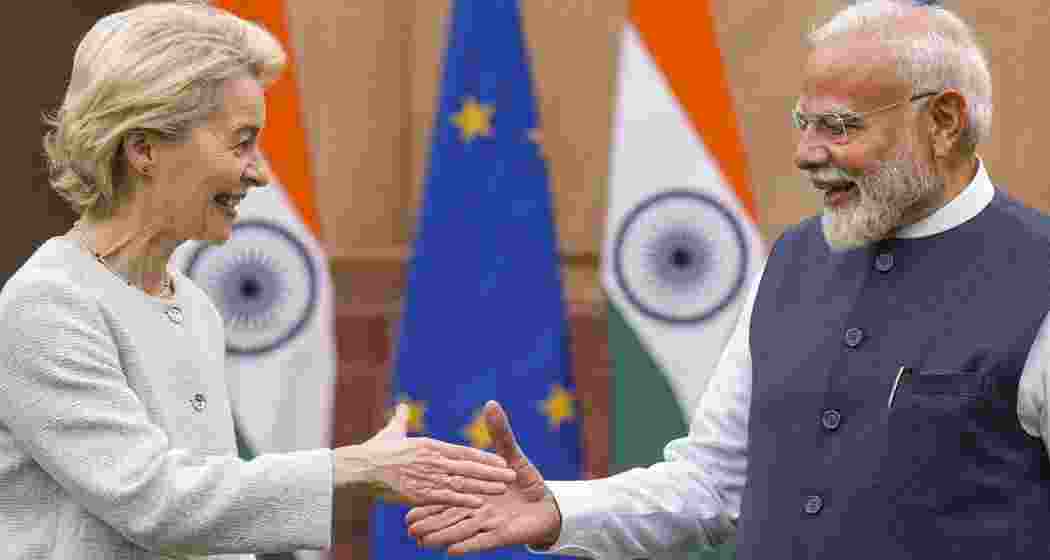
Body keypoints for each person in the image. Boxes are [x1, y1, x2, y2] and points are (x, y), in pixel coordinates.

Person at [406, 1, 1050, 557]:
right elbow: (713, 483)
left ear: (943, 120)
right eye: (805, 123)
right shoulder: (796, 261)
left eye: (839, 127)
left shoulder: (1036, 277)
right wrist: (559, 511)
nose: (806, 153)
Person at [0, 2, 518, 558]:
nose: (261, 172)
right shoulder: (48, 305)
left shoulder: (193, 304)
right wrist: (357, 467)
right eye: (241, 141)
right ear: (144, 148)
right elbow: (155, 503)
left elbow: (212, 523)